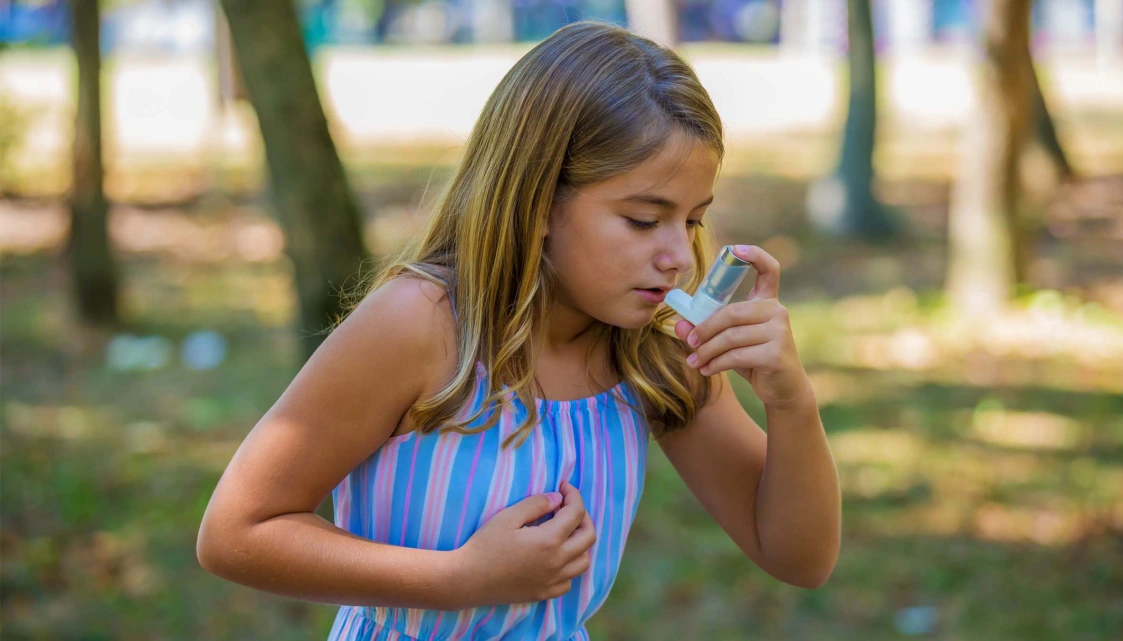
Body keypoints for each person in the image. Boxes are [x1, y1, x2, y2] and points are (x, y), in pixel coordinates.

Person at [196, 20, 841, 641]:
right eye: (645, 220)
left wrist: (791, 401)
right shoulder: (421, 325)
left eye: (694, 221)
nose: (677, 255)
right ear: (536, 204)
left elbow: (799, 558)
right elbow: (237, 531)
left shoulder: (653, 351)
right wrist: (460, 579)